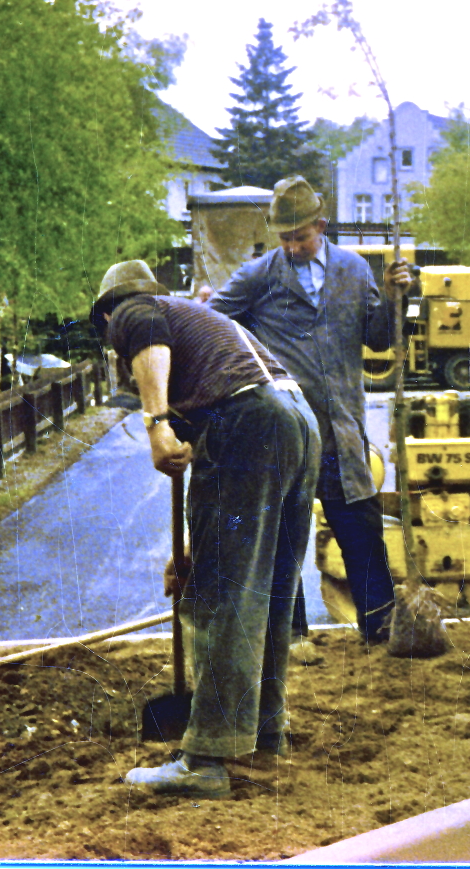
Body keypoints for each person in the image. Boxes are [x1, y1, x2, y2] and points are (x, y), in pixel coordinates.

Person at [92, 260, 320, 799]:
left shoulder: (132, 310)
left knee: (219, 598)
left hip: (249, 425)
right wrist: (196, 546)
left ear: (106, 314)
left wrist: (157, 424)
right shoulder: (202, 324)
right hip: (295, 424)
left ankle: (206, 759)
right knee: (263, 592)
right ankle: (261, 745)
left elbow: (143, 332)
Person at [207, 177, 411, 646]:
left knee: (361, 530)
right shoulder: (259, 275)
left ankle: (379, 626)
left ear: (320, 225)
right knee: (281, 536)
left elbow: (380, 338)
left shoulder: (355, 271)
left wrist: (398, 296)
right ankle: (289, 636)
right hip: (285, 430)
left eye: (300, 235)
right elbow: (215, 322)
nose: (293, 245)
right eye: (285, 237)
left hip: (342, 429)